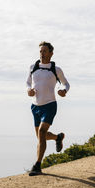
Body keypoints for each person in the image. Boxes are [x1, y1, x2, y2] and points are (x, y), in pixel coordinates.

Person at [26, 41, 70, 176]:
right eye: (40, 51)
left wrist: (64, 90)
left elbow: (66, 83)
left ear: (51, 53)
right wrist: (29, 90)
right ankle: (58, 137)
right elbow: (28, 83)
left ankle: (37, 165)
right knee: (40, 136)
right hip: (35, 107)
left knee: (42, 132)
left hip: (50, 105)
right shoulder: (33, 67)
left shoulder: (56, 69)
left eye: (45, 51)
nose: (42, 54)